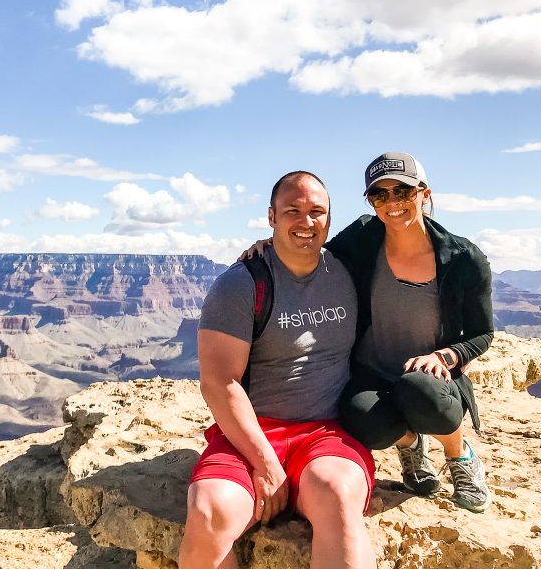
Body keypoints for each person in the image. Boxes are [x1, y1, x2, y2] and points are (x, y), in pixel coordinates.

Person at [179, 172, 376, 569]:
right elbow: (220, 381)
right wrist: (266, 463)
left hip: (327, 431)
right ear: (271, 217)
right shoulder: (241, 284)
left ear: (329, 219)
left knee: (338, 495)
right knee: (209, 511)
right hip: (252, 430)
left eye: (316, 212)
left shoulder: (349, 270)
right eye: (293, 211)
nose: (306, 222)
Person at [326, 152, 494, 512]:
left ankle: (459, 455)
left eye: (402, 191)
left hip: (428, 378)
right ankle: (410, 445)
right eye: (379, 195)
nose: (391, 203)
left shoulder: (463, 258)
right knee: (360, 420)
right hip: (372, 369)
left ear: (424, 193)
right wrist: (265, 251)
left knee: (419, 391)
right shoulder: (363, 238)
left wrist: (445, 356)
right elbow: (310, 256)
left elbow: (482, 333)